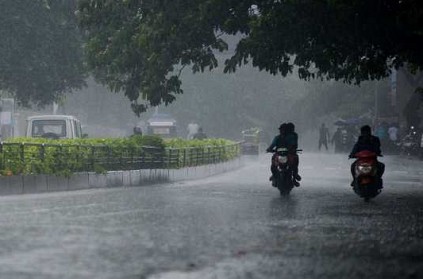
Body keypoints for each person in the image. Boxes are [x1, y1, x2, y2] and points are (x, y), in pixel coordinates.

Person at [266, 122, 301, 187]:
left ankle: (295, 176)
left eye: (283, 130)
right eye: (281, 130)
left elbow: (294, 144)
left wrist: (292, 149)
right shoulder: (277, 137)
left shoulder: (291, 137)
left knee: (295, 161)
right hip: (278, 154)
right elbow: (272, 145)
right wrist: (269, 149)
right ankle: (274, 174)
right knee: (273, 161)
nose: (281, 131)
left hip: (289, 154)